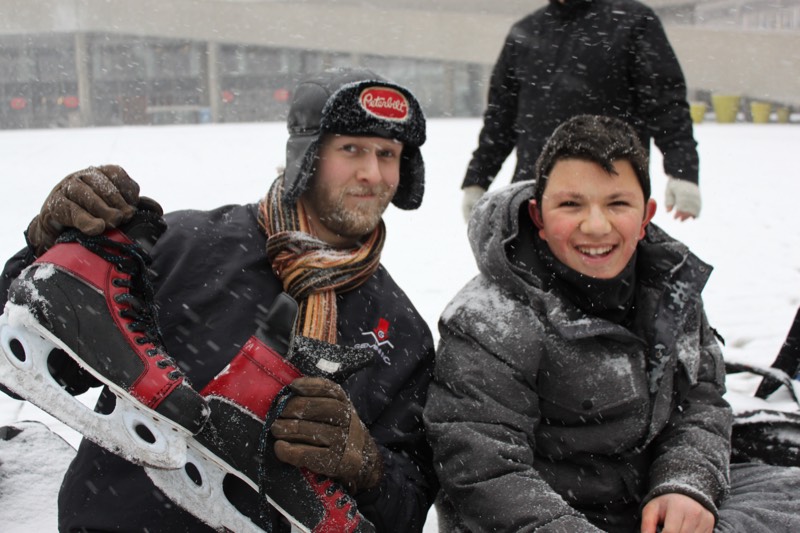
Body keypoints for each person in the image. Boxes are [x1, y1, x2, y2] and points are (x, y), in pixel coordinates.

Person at [0, 68, 438, 532]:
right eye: (351, 149)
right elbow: (28, 359)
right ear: (306, 156)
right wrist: (48, 252)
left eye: (388, 154)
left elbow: (406, 511)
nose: (372, 173)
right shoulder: (187, 246)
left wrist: (367, 466)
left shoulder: (400, 330)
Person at [425, 115, 800, 532]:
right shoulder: (488, 322)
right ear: (539, 218)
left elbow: (700, 405)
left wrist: (685, 484)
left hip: (646, 506)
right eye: (571, 204)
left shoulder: (671, 289)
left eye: (617, 204)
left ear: (645, 216)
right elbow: (483, 470)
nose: (596, 225)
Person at [461, 0, 702, 223]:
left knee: (606, 265)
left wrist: (683, 172)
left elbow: (666, 103)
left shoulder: (633, 22)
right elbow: (500, 119)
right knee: (531, 268)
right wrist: (477, 179)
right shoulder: (525, 33)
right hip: (536, 196)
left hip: (609, 194)